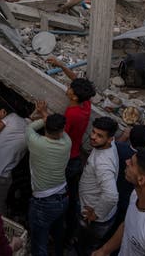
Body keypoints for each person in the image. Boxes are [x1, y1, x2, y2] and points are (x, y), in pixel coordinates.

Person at [46, 56, 96, 243]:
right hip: (76, 160)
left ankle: (61, 235)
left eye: (69, 89)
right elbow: (76, 79)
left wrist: (44, 115)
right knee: (72, 197)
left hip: (67, 160)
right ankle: (72, 231)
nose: (67, 88)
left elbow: (58, 135)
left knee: (59, 197)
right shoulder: (86, 105)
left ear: (74, 96)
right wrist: (61, 66)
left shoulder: (72, 113)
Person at [26, 105, 71, 256]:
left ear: (46, 127)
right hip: (63, 197)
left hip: (43, 202)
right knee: (59, 233)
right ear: (61, 129)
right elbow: (60, 131)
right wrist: (47, 116)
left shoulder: (35, 142)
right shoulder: (67, 142)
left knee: (39, 243)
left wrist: (44, 115)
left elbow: (30, 127)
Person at [77, 116, 119, 255]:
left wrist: (96, 214)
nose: (93, 137)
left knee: (86, 249)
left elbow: (111, 196)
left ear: (110, 139)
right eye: (93, 132)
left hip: (94, 219)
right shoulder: (107, 145)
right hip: (96, 210)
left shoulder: (103, 164)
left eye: (99, 135)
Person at [0, 109, 30, 216]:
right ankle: (1, 226)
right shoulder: (32, 137)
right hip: (2, 174)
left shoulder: (13, 117)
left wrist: (1, 119)